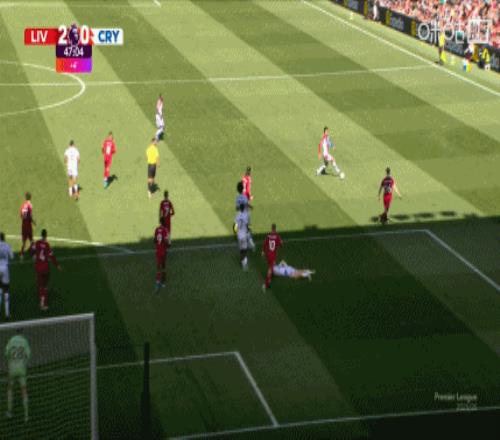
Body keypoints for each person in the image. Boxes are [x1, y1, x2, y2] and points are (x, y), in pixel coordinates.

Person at [30, 229, 61, 311]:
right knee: (45, 286)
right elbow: (52, 256)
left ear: (41, 235)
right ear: (46, 235)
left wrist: (33, 255)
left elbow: (31, 249)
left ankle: (41, 301)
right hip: (46, 269)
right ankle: (45, 304)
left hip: (38, 268)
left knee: (40, 286)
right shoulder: (47, 245)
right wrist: (57, 265)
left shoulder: (37, 243)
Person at [5, 329, 31, 422]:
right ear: (22, 332)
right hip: (22, 369)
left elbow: (6, 353)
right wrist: (25, 362)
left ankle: (9, 411)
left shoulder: (11, 340)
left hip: (12, 368)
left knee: (10, 388)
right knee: (24, 390)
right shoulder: (24, 341)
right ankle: (26, 415)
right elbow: (28, 355)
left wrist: (10, 361)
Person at [262, 224, 283, 291]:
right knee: (270, 269)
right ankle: (266, 284)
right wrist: (281, 243)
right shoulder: (277, 236)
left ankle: (272, 274)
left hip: (268, 254)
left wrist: (263, 251)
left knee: (272, 265)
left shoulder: (268, 235)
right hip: (273, 255)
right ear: (275, 228)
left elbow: (264, 243)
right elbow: (281, 244)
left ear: (271, 228)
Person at [0, 233, 13, 319]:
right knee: (6, 290)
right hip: (5, 268)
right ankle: (7, 314)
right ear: (4, 238)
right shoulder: (7, 245)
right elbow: (11, 256)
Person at [154, 217, 169, 292]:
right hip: (163, 251)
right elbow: (166, 241)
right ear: (164, 222)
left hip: (158, 251)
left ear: (160, 222)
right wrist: (167, 245)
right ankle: (163, 282)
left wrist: (157, 245)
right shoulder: (165, 230)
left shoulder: (156, 229)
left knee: (158, 267)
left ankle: (157, 283)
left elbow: (154, 240)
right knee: (163, 266)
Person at [20, 192, 35, 259]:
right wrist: (33, 222)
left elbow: (21, 215)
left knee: (24, 241)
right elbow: (30, 216)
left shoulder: (23, 205)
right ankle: (32, 254)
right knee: (32, 240)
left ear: (25, 197)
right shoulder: (30, 205)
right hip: (28, 225)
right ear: (30, 197)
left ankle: (21, 254)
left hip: (23, 225)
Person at [235, 204, 250, 270]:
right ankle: (244, 264)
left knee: (241, 250)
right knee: (245, 250)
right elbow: (247, 225)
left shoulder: (237, 215)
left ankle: (242, 261)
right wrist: (248, 231)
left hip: (239, 235)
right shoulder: (245, 215)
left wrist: (235, 233)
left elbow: (235, 226)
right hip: (244, 235)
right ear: (243, 208)